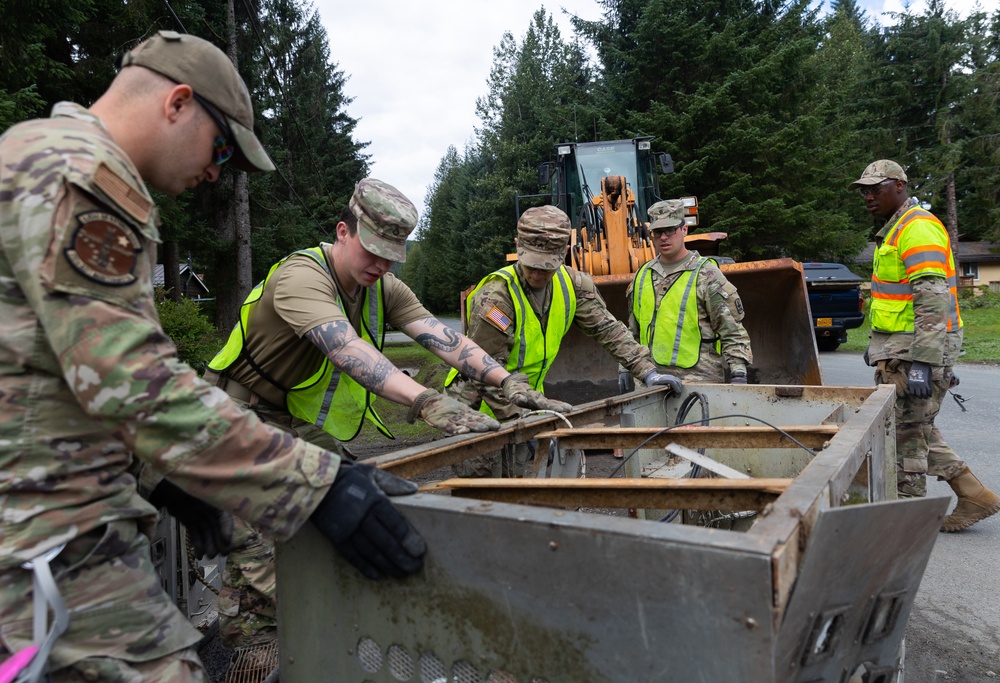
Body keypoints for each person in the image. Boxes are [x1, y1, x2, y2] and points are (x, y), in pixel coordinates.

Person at [0, 31, 427, 682]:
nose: (215, 171)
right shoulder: (85, 174)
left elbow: (47, 367)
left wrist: (160, 478)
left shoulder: (43, 156)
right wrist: (318, 485)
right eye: (221, 146)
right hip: (43, 527)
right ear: (176, 102)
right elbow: (130, 380)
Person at [204, 180, 568, 650]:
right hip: (238, 416)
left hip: (291, 420)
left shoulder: (383, 287)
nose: (381, 265)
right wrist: (426, 400)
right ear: (343, 232)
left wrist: (507, 381)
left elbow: (445, 338)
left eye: (392, 255)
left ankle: (320, 635)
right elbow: (345, 347)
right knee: (259, 550)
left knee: (354, 505)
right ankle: (252, 652)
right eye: (373, 251)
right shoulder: (301, 276)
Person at [443, 205, 683, 477]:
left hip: (525, 398)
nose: (537, 275)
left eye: (547, 267)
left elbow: (608, 330)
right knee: (487, 490)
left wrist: (647, 371)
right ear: (517, 246)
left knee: (524, 482)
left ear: (564, 253)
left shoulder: (573, 285)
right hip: (477, 404)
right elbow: (483, 369)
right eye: (532, 265)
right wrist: (525, 425)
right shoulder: (496, 297)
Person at [850, 159, 1000, 531]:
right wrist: (880, 346)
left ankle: (904, 524)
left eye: (876, 188)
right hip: (901, 350)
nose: (868, 196)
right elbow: (894, 300)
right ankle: (974, 494)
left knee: (906, 438)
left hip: (915, 353)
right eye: (864, 190)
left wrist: (926, 363)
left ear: (899, 185)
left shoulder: (917, 228)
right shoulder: (898, 229)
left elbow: (933, 299)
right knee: (911, 426)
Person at [626, 199, 753, 384]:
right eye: (658, 232)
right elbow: (633, 331)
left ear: (684, 230)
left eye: (670, 230)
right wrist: (625, 367)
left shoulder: (706, 274)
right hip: (650, 380)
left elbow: (731, 329)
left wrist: (738, 373)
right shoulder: (642, 276)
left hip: (697, 381)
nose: (663, 237)